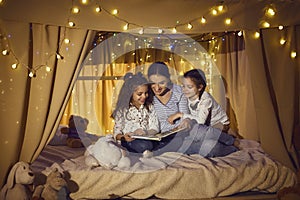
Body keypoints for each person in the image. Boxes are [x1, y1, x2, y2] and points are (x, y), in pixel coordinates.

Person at [147, 61, 191, 153]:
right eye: (153, 83)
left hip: (179, 134)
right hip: (158, 136)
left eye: (162, 83)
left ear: (168, 79)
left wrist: (185, 121)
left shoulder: (178, 92)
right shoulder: (147, 94)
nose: (157, 88)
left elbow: (185, 115)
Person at [167, 68, 230, 133]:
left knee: (201, 132)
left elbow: (201, 121)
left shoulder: (206, 99)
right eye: (183, 86)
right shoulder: (187, 96)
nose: (185, 90)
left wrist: (180, 115)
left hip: (220, 124)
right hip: (206, 125)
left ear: (200, 87)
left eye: (189, 87)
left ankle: (230, 139)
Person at [112, 72, 159, 154]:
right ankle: (144, 151)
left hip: (147, 139)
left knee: (158, 143)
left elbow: (155, 127)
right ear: (129, 94)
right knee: (143, 145)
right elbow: (117, 133)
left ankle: (146, 151)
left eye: (146, 93)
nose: (144, 96)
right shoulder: (122, 110)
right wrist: (124, 137)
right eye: (139, 94)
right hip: (129, 141)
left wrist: (145, 132)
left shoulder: (149, 107)